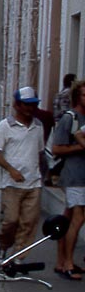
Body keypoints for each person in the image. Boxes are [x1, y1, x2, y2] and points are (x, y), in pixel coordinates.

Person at [0, 86, 45, 260]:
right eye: (26, 105)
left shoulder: (38, 126)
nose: (30, 108)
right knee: (11, 221)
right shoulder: (5, 126)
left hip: (34, 183)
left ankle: (18, 257)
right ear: (17, 105)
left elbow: (40, 152)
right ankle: (3, 246)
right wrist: (11, 170)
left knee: (28, 223)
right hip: (11, 184)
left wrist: (44, 173)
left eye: (33, 105)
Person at [51, 79, 85, 279]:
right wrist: (79, 147)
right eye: (84, 94)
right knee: (78, 217)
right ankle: (69, 263)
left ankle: (61, 262)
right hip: (74, 175)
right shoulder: (69, 118)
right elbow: (56, 148)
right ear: (76, 97)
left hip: (83, 176)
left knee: (68, 217)